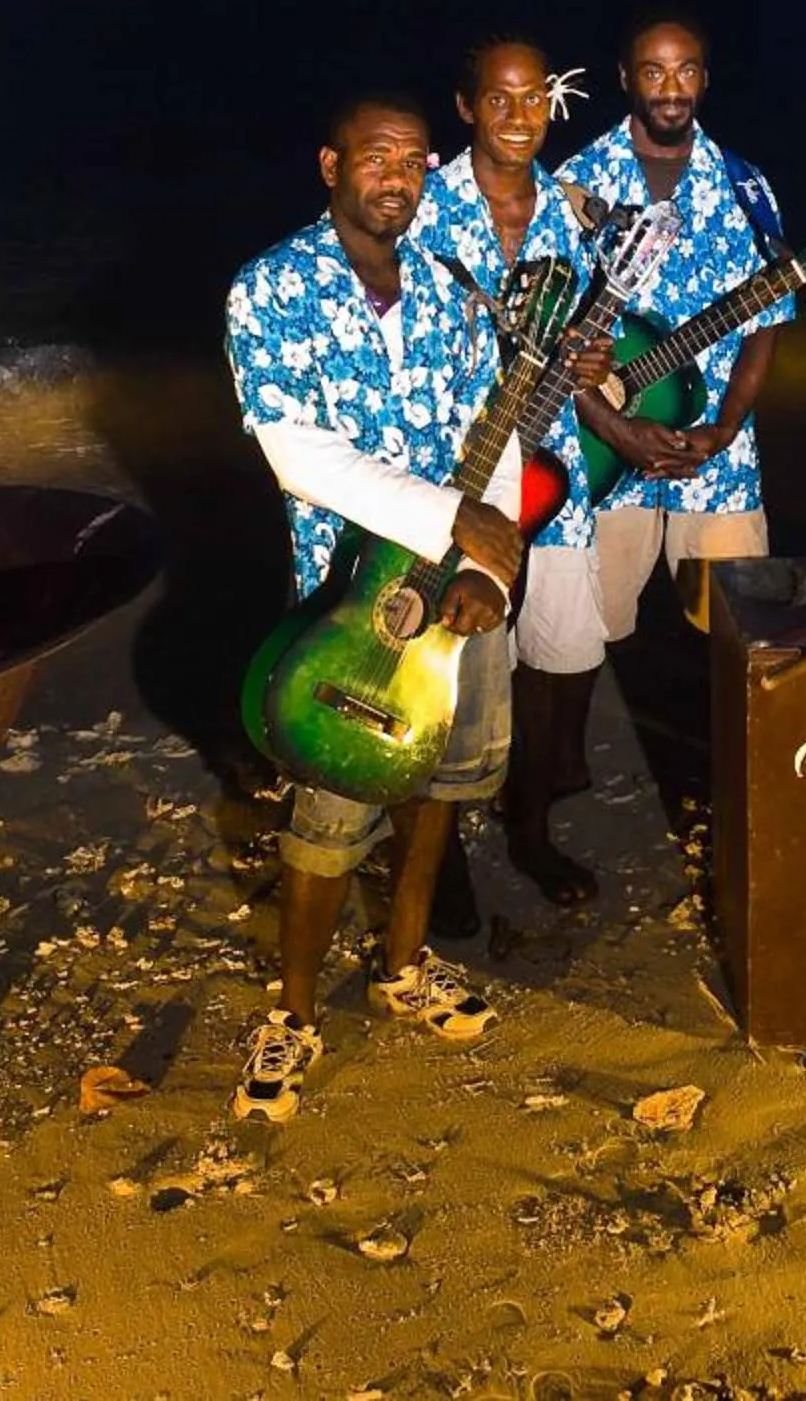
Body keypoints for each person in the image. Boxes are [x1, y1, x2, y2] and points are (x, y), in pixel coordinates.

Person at [220, 92, 526, 1123]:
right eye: (375, 157)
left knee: (433, 781)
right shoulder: (271, 287)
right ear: (330, 165)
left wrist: (490, 569)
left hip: (462, 591)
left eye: (414, 160)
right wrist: (451, 521)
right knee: (332, 812)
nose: (397, 177)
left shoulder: (452, 289)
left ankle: (403, 965)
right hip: (352, 598)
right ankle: (294, 1014)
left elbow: (499, 428)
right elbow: (294, 452)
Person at [414, 37, 615, 911]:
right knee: (448, 662)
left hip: (552, 467)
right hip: (457, 469)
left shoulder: (573, 211)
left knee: (560, 656)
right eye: (498, 99)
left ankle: (531, 830)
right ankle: (440, 857)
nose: (519, 115)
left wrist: (593, 360)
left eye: (534, 97)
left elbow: (589, 333)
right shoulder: (422, 207)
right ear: (466, 108)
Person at [558, 11, 792, 637]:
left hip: (716, 462)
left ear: (705, 78)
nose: (670, 88)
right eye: (653, 71)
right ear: (625, 77)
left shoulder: (745, 187)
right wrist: (616, 429)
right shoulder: (575, 185)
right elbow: (546, 333)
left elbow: (765, 323)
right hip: (600, 457)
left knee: (741, 638)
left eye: (685, 70)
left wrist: (724, 428)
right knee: (581, 643)